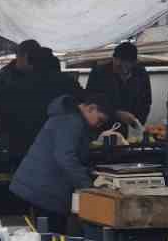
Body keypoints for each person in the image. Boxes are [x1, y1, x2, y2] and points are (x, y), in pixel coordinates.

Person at [9, 93, 112, 232]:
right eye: (99, 120)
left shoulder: (67, 117)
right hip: (45, 191)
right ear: (91, 108)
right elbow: (66, 158)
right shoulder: (72, 121)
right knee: (52, 240)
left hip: (37, 186)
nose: (99, 126)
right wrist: (88, 187)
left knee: (45, 239)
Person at [0, 40, 43, 162]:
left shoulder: (38, 74)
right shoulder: (2, 77)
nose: (35, 63)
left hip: (36, 137)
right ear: (22, 56)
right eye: (33, 59)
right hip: (10, 137)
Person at [85, 42, 152, 131]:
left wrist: (137, 123)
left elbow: (146, 101)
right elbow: (91, 100)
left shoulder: (141, 74)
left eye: (126, 65)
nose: (122, 69)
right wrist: (115, 113)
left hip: (131, 128)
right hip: (103, 127)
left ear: (134, 62)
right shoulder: (98, 73)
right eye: (118, 65)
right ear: (113, 58)